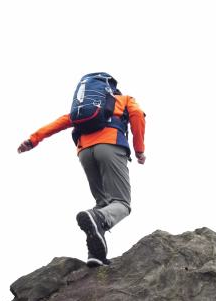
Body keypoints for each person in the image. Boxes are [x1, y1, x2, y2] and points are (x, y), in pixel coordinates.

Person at [17, 74, 146, 268]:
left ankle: (96, 253)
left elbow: (60, 122)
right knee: (121, 203)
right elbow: (137, 115)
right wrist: (139, 150)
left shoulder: (82, 108)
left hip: (85, 152)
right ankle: (98, 218)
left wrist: (33, 139)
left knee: (103, 203)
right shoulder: (124, 99)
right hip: (110, 145)